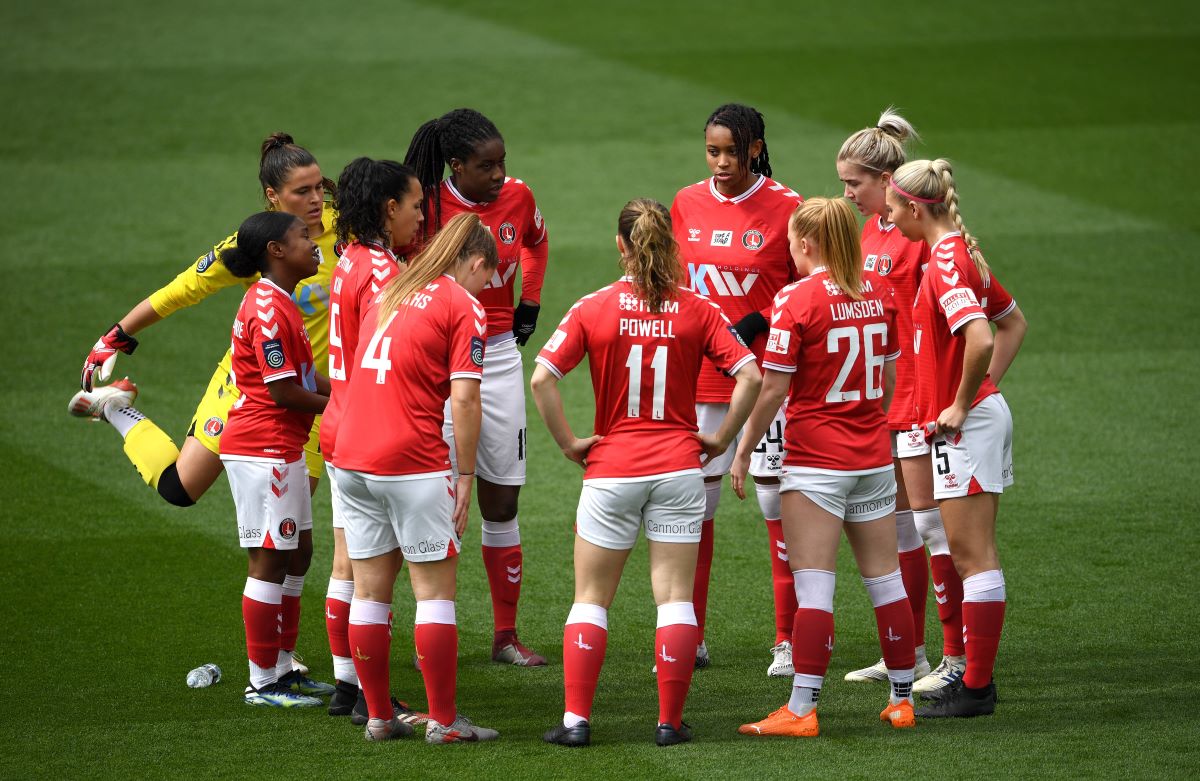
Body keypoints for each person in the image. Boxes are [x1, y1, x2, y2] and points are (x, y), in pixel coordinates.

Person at [69, 133, 338, 689]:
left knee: (296, 546)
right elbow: (181, 290)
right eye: (301, 192)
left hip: (309, 398)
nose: (316, 201)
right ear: (272, 198)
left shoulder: (346, 226)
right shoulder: (259, 245)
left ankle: (283, 659)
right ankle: (117, 411)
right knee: (179, 490)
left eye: (319, 188)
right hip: (250, 389)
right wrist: (116, 334)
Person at [531, 199, 761, 747]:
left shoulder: (594, 306)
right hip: (680, 470)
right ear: (671, 246)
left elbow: (542, 379)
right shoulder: (698, 309)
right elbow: (750, 375)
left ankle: (575, 723)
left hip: (610, 471)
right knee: (675, 598)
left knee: (590, 598)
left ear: (620, 246)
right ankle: (668, 723)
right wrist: (722, 440)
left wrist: (569, 445)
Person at [733, 197, 915, 737]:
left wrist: (742, 449)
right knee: (887, 583)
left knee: (814, 589)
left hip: (815, 463)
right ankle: (902, 699)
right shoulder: (880, 293)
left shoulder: (796, 298)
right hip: (872, 458)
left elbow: (774, 387)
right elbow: (885, 379)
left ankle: (802, 708)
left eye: (791, 241)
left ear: (807, 244)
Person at [332, 213, 501, 743]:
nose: (486, 287)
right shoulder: (463, 304)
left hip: (351, 459)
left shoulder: (393, 288)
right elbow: (466, 398)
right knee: (434, 595)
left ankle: (379, 716)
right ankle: (445, 723)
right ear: (476, 264)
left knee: (370, 594)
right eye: (487, 277)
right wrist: (468, 473)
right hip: (411, 460)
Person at [403, 108, 549, 666]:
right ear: (455, 166)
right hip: (437, 365)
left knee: (502, 496)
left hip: (501, 359)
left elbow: (535, 242)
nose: (499, 175)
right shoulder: (428, 209)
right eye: (486, 166)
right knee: (435, 499)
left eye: (503, 162)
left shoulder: (519, 197)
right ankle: (434, 630)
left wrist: (529, 300)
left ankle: (505, 636)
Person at [884, 159, 1026, 717]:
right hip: (966, 423)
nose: (890, 220)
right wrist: (976, 397)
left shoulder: (944, 261)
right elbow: (1013, 321)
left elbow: (983, 337)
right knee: (963, 551)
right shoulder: (958, 251)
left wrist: (965, 401)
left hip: (966, 427)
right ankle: (970, 678)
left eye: (894, 209)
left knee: (973, 556)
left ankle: (977, 689)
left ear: (916, 208)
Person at [670, 103, 803, 674]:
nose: (721, 163)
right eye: (711, 151)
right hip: (701, 378)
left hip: (769, 376)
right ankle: (690, 635)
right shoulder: (686, 203)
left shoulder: (789, 207)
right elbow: (676, 285)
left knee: (779, 508)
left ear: (755, 148)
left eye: (731, 151)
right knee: (695, 511)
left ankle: (788, 640)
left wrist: (755, 324)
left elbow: (808, 286)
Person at [836, 109, 941, 690]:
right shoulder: (870, 229)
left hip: (918, 394)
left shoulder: (917, 232)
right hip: (881, 396)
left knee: (929, 527)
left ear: (884, 179)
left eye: (854, 182)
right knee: (898, 527)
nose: (846, 193)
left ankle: (948, 657)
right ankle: (910, 652)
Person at [321, 157, 428, 725]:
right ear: (390, 209)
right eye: (414, 206)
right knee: (377, 574)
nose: (421, 216)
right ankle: (370, 696)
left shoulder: (349, 260)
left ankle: (345, 685)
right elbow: (394, 361)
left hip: (340, 421)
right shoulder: (386, 273)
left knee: (347, 564)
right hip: (372, 429)